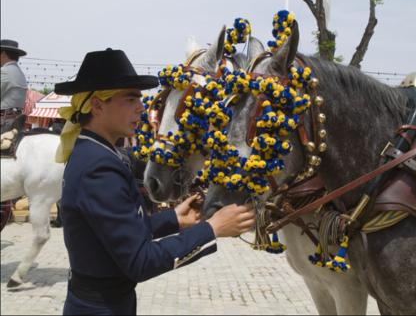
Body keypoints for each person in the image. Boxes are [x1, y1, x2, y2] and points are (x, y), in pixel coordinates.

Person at [54, 48, 255, 315]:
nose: (141, 107)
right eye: (130, 99)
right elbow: (140, 261)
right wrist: (213, 228)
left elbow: (121, 229)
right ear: (97, 105)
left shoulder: (95, 151)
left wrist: (173, 219)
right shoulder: (98, 167)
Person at [1, 39, 28, 134]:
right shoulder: (20, 73)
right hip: (15, 121)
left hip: (3, 122)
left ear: (3, 54)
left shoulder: (4, 71)